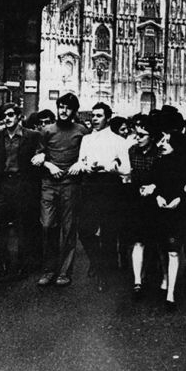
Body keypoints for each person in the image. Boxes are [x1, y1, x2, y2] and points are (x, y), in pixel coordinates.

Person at [72, 102, 131, 292]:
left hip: (109, 186)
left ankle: (103, 276)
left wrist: (111, 167)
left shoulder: (118, 141)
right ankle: (98, 263)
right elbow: (81, 161)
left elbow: (127, 169)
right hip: (90, 185)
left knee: (108, 233)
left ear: (108, 118)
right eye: (93, 115)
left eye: (99, 116)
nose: (94, 119)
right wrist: (86, 166)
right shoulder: (87, 139)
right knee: (85, 230)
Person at [33, 93, 88, 288]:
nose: (64, 111)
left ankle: (64, 272)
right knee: (47, 225)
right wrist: (48, 164)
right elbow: (38, 156)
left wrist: (81, 163)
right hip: (49, 183)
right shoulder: (47, 130)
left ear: (74, 111)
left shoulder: (82, 130)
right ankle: (48, 270)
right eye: (61, 107)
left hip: (71, 185)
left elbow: (88, 154)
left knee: (68, 228)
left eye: (68, 108)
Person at [0, 103, 42, 280]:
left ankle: (23, 264)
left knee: (23, 225)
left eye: (11, 115)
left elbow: (42, 152)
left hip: (23, 184)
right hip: (2, 184)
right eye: (4, 115)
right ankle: (0, 262)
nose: (7, 119)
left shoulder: (32, 136)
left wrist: (42, 155)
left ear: (19, 116)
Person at [147, 131, 186, 312]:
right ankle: (166, 277)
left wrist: (180, 199)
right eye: (162, 141)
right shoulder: (158, 163)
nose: (163, 144)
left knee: (173, 252)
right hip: (159, 211)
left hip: (178, 213)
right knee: (162, 248)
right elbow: (154, 184)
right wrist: (158, 196)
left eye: (167, 141)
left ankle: (171, 293)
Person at [124, 114, 161, 300]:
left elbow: (166, 177)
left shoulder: (160, 153)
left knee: (156, 241)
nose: (137, 138)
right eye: (136, 134)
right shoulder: (131, 151)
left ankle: (159, 277)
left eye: (142, 135)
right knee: (138, 241)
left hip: (156, 203)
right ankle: (137, 281)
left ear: (152, 136)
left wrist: (154, 186)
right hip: (137, 201)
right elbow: (128, 175)